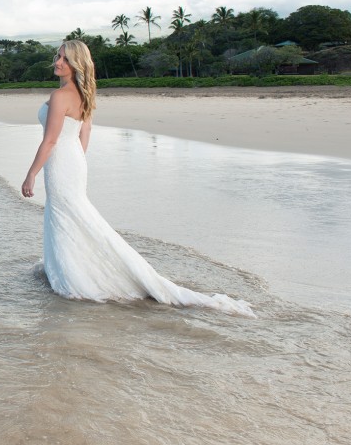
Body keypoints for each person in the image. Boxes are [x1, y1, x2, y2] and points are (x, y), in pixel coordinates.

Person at [22, 40, 254, 317]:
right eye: (58, 56)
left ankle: (79, 273)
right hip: (72, 161)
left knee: (67, 215)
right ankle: (68, 265)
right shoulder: (84, 95)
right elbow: (85, 135)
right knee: (70, 215)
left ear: (77, 65)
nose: (57, 62)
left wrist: (31, 174)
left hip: (61, 162)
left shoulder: (61, 96)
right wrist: (76, 161)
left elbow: (50, 141)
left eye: (64, 59)